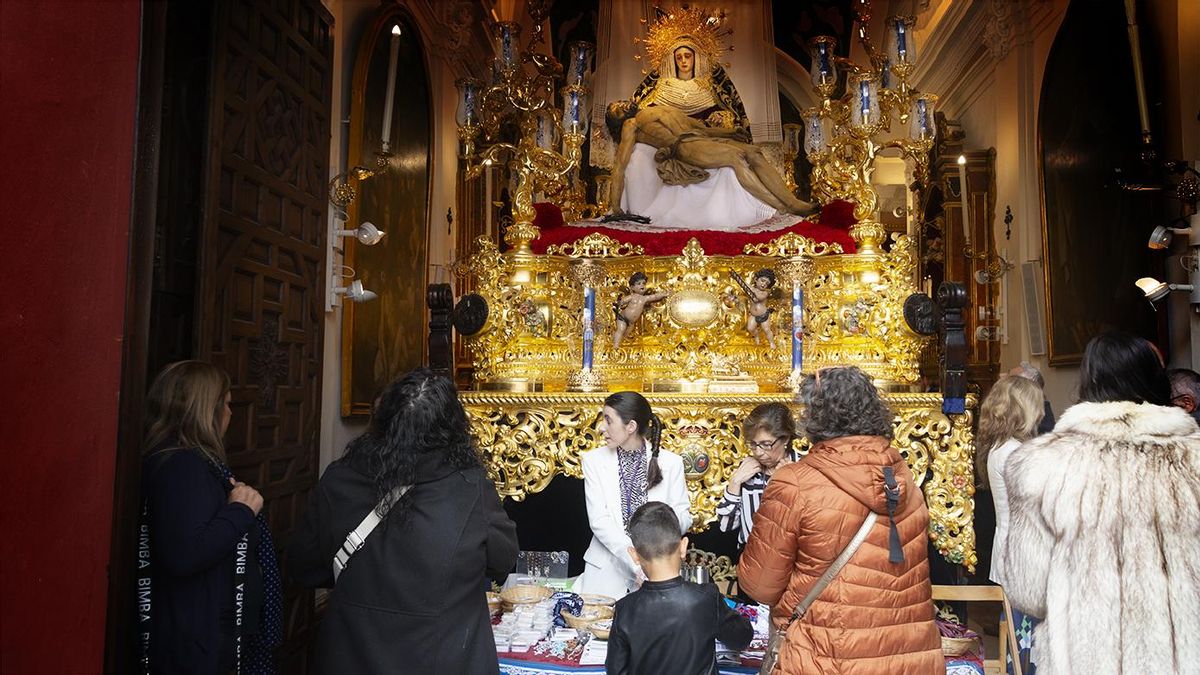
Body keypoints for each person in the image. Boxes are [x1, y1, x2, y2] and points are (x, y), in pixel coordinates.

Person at [289, 368, 519, 674]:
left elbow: (304, 565)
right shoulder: (469, 487)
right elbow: (503, 559)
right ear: (453, 428)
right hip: (443, 658)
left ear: (382, 420)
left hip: (350, 656)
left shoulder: (340, 477)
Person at [1004, 332, 1200, 673]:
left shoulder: (1043, 466)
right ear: (1157, 383)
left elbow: (1029, 591)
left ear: (1087, 384)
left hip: (1085, 660)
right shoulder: (1193, 459)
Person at [738, 366, 942, 674]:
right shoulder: (902, 478)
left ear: (815, 417)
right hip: (908, 653)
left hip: (827, 652)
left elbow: (759, 585)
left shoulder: (795, 483)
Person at [137, 361, 280, 675]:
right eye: (227, 405)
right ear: (208, 410)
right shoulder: (181, 467)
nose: (231, 414)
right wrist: (241, 511)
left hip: (201, 637)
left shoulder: (185, 461)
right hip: (196, 645)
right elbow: (184, 553)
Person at [607, 40, 817, 230]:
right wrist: (615, 206)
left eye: (619, 102)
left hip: (699, 138)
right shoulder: (632, 124)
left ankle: (792, 202)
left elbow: (701, 128)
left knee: (753, 152)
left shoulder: (658, 110)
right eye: (616, 110)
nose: (621, 104)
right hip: (684, 146)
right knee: (736, 159)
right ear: (618, 121)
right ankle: (778, 208)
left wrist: (731, 133)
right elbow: (619, 166)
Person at [606, 502, 752, 675]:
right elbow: (741, 638)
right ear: (683, 547)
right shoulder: (706, 598)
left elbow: (615, 670)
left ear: (634, 555)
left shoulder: (625, 608)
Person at [576, 391, 693, 598]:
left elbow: (683, 516)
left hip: (658, 573)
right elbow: (599, 521)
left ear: (630, 427)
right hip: (605, 574)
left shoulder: (671, 463)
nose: (602, 428)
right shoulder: (593, 461)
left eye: (608, 420)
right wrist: (636, 563)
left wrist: (654, 552)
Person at [977, 375, 1045, 674]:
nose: (1042, 412)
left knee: (1016, 632)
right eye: (1038, 405)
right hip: (1024, 555)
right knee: (1026, 640)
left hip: (1010, 548)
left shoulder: (1000, 447)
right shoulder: (1016, 452)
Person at [715, 402, 797, 547]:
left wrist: (792, 483)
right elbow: (725, 526)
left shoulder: (804, 468)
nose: (758, 452)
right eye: (753, 444)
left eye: (766, 444)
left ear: (785, 439)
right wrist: (735, 482)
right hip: (750, 558)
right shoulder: (747, 470)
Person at [613, 271, 669, 349]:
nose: (642, 285)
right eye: (639, 284)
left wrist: (663, 294)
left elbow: (655, 296)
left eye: (643, 283)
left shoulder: (644, 298)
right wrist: (621, 302)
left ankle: (620, 341)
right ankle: (615, 345)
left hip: (631, 323)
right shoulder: (632, 296)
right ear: (632, 287)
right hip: (623, 318)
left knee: (626, 333)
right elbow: (624, 300)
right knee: (620, 329)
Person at [730, 269, 778, 349]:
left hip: (763, 315)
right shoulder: (751, 289)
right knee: (750, 328)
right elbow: (744, 284)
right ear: (756, 280)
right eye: (762, 281)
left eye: (767, 283)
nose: (764, 284)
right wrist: (736, 278)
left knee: (766, 329)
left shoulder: (764, 293)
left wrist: (750, 290)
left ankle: (772, 343)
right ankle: (756, 336)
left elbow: (757, 298)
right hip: (753, 315)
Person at [1008, 362, 1056, 433]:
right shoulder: (1010, 408)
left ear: (1027, 388)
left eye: (1009, 380)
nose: (1001, 375)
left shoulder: (1043, 421)